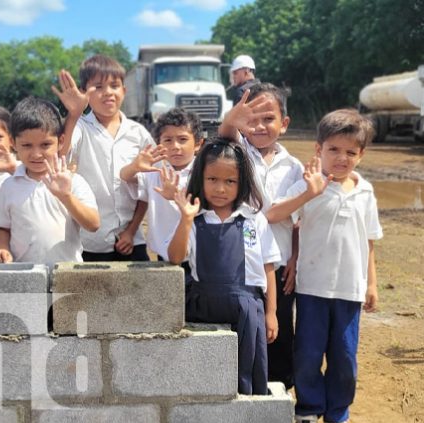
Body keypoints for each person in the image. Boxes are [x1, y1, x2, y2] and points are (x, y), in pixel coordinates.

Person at [267, 109, 382, 423]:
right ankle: (307, 412)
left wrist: (371, 284)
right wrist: (309, 193)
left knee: (345, 357)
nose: (342, 157)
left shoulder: (366, 191)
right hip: (312, 288)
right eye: (334, 149)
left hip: (350, 290)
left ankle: (337, 417)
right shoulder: (309, 183)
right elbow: (275, 213)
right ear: (319, 149)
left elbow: (369, 240)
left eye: (350, 151)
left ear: (361, 155)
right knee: (308, 353)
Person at [167, 138, 280, 395]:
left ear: (242, 184)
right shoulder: (193, 219)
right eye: (213, 180)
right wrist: (185, 219)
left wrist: (270, 312)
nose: (221, 188)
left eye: (230, 181)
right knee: (203, 375)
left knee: (247, 374)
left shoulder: (253, 219)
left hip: (247, 308)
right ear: (200, 179)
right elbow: (175, 258)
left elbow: (268, 266)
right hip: (201, 305)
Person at [218, 83, 304, 390]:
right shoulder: (236, 153)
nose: (260, 126)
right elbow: (225, 133)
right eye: (251, 118)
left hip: (279, 264)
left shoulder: (295, 167)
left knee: (279, 328)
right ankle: (240, 389)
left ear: (284, 123)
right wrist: (232, 119)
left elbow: (296, 221)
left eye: (268, 118)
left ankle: (280, 390)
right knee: (243, 328)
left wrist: (294, 257)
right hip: (240, 265)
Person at [52, 55, 155, 261]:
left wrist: (131, 230)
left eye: (114, 86)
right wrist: (73, 113)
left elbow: (146, 188)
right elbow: (60, 155)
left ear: (124, 91)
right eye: (98, 87)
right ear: (85, 93)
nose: (107, 92)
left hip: (132, 240)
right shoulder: (81, 127)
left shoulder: (138, 133)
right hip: (92, 241)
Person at [0, 96, 100, 266]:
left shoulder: (73, 181)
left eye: (45, 145)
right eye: (26, 145)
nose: (36, 154)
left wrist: (66, 197)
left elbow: (93, 224)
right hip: (25, 274)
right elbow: (3, 227)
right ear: (13, 143)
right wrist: (2, 248)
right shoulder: (9, 185)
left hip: (67, 273)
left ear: (60, 141)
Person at [119, 108, 204, 269]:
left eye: (182, 139)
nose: (175, 146)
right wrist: (135, 167)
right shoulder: (156, 173)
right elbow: (125, 177)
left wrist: (175, 197)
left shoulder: (205, 173)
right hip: (164, 256)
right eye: (168, 140)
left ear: (198, 144)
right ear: (159, 143)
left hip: (199, 257)